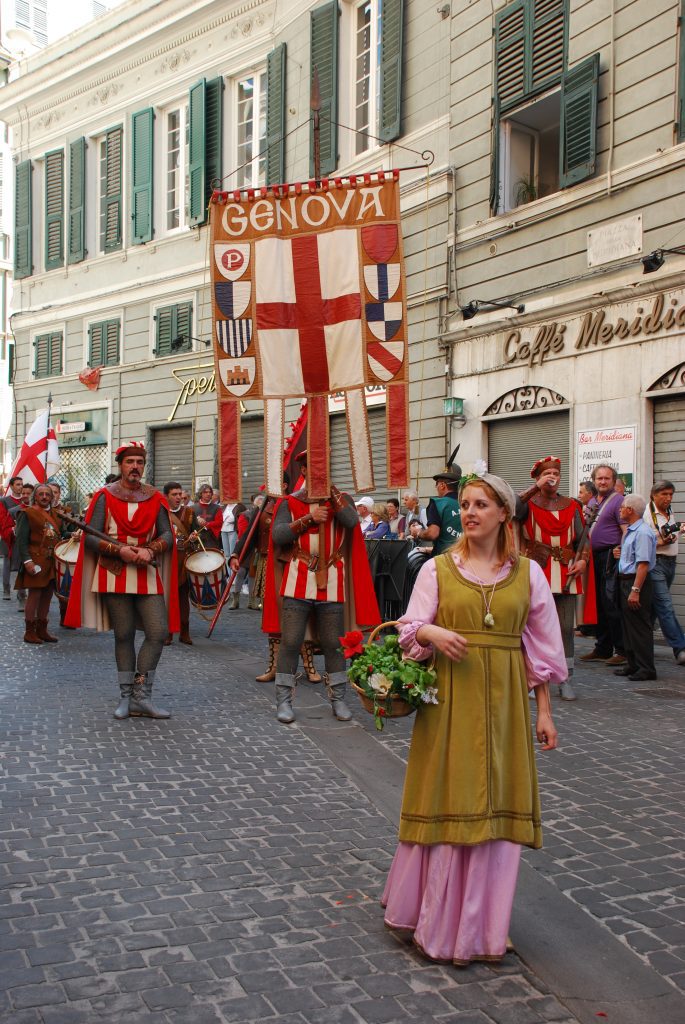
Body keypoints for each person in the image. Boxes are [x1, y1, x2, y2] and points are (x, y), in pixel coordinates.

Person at [382, 472, 564, 965]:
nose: (470, 513)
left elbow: (539, 648)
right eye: (465, 504)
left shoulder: (529, 574)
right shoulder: (436, 569)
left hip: (505, 706)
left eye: (481, 504)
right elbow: (409, 629)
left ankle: (486, 926)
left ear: (504, 513)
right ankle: (436, 920)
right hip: (449, 701)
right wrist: (434, 635)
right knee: (449, 795)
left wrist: (543, 712)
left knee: (499, 803)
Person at [263, 452, 380, 724]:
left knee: (333, 643)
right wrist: (309, 518)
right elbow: (279, 535)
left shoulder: (342, 500)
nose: (319, 472)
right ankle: (284, 701)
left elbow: (352, 523)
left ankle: (338, 699)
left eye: (324, 466)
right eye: (313, 466)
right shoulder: (289, 502)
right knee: (291, 641)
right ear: (303, 469)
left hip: (332, 579)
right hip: (298, 577)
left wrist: (334, 496)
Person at [66, 442, 179, 720]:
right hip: (114, 572)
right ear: (120, 466)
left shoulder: (154, 497)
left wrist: (150, 550)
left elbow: (166, 535)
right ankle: (126, 697)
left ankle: (142, 695)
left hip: (146, 571)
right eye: (130, 462)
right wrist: (120, 550)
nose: (135, 467)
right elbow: (91, 538)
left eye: (140, 462)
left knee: (157, 632)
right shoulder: (105, 496)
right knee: (124, 634)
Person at [516, 456, 590, 701]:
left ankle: (565, 678)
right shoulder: (528, 504)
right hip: (536, 570)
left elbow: (583, 538)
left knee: (565, 627)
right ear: (538, 477)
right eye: (548, 474)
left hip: (566, 572)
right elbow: (510, 507)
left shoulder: (572, 505)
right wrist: (535, 487)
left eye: (556, 474)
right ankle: (530, 676)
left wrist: (582, 560)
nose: (553, 478)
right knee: (532, 625)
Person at [581, 464, 626, 666]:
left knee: (611, 602)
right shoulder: (593, 501)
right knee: (598, 602)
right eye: (599, 478)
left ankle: (622, 650)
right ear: (594, 480)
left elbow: (626, 529)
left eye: (607, 478)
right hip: (593, 556)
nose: (603, 481)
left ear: (613, 481)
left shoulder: (618, 501)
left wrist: (622, 551)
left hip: (609, 556)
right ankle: (602, 648)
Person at [613, 494, 657, 682]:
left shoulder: (642, 532)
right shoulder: (632, 531)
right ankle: (633, 664)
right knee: (628, 625)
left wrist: (635, 590)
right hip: (626, 580)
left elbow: (643, 564)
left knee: (639, 626)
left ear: (630, 510)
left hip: (636, 583)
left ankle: (646, 668)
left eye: (622, 507)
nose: (620, 509)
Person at [14, 483, 63, 644]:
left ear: (52, 497)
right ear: (35, 496)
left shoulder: (56, 514)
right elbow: (21, 541)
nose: (44, 497)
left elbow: (60, 534)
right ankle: (29, 632)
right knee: (34, 595)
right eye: (41, 494)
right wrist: (27, 561)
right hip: (35, 560)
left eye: (47, 495)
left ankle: (42, 630)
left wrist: (75, 535)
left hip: (51, 560)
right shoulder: (27, 513)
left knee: (48, 594)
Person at [643, 481, 685, 666]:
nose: (668, 498)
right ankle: (680, 648)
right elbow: (646, 540)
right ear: (654, 495)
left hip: (670, 563)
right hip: (657, 563)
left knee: (654, 607)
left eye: (670, 494)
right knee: (665, 606)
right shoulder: (647, 514)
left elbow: (670, 535)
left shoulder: (669, 510)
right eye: (664, 494)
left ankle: (638, 644)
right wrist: (662, 541)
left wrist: (678, 532)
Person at [164, 481, 202, 646]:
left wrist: (193, 539)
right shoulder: (161, 513)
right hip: (166, 560)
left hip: (184, 561)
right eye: (175, 494)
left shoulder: (189, 513)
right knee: (167, 598)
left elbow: (197, 537)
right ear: (167, 496)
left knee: (183, 598)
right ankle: (167, 632)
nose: (179, 497)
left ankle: (184, 631)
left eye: (180, 494)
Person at [413, 458, 462, 556]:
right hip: (466, 557)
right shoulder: (468, 503)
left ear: (443, 485)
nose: (436, 488)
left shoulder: (437, 503)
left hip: (445, 560)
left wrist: (418, 532)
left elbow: (433, 533)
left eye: (437, 484)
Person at [1, 475, 23, 601]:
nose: (20, 487)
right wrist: (10, 529)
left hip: (21, 537)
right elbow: (2, 518)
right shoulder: (4, 501)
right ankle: (6, 589)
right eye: (18, 484)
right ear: (12, 486)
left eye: (21, 484)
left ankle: (22, 593)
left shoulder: (25, 501)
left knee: (22, 564)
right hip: (8, 535)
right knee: (7, 562)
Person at [193, 484, 223, 551]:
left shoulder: (217, 508)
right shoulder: (192, 508)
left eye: (210, 492)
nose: (208, 494)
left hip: (211, 540)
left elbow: (219, 522)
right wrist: (197, 519)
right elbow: (188, 524)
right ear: (201, 494)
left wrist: (206, 524)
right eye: (205, 492)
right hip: (196, 541)